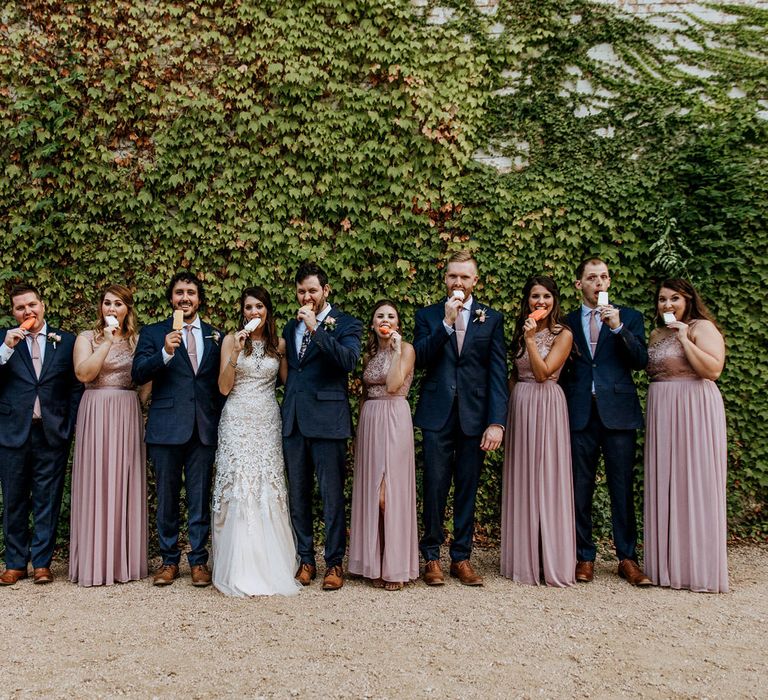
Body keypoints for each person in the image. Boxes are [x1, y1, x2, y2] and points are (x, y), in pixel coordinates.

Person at [413, 250, 508, 586]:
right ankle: (431, 557)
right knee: (434, 486)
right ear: (445, 278)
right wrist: (446, 323)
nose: (458, 282)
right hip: (437, 414)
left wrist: (497, 421)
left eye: (464, 277)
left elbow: (497, 373)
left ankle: (462, 557)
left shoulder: (491, 318)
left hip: (475, 415)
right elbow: (420, 359)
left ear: (475, 281)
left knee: (468, 486)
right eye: (453, 276)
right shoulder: (428, 316)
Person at [559, 257, 651, 586]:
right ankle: (585, 556)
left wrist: (618, 328)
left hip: (618, 414)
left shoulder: (629, 318)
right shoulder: (566, 322)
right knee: (580, 488)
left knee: (621, 488)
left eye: (604, 277)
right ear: (579, 284)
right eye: (592, 277)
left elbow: (641, 361)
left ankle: (627, 557)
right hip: (580, 413)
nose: (599, 282)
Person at [132, 272, 224, 587]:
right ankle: (169, 560)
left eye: (191, 293)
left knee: (199, 497)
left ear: (199, 299)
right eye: (179, 293)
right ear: (171, 298)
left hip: (203, 428)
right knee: (167, 497)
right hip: (166, 427)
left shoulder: (216, 335)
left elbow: (218, 383)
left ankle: (199, 560)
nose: (185, 298)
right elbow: (138, 372)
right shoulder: (155, 332)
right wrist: (166, 353)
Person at [211, 286, 301, 597]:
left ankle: (270, 564)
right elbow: (223, 388)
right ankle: (236, 566)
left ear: (267, 311)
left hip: (266, 420)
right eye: (248, 308)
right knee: (238, 485)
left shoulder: (279, 344)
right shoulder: (229, 341)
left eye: (259, 307)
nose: (253, 313)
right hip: (236, 419)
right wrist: (236, 351)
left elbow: (290, 383)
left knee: (267, 486)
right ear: (242, 312)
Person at [281, 261, 362, 591]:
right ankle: (306, 559)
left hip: (329, 422)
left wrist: (317, 329)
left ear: (325, 290)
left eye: (312, 290)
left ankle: (333, 563)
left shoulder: (345, 324)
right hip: (295, 421)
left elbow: (348, 361)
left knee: (331, 496)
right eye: (301, 291)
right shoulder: (289, 326)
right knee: (298, 495)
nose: (307, 296)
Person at [644, 279, 728, 592]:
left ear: (688, 299)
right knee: (668, 483)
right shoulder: (655, 334)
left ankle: (698, 566)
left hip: (693, 408)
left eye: (674, 299)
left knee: (695, 481)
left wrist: (684, 338)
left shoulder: (700, 327)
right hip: (662, 410)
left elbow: (713, 369)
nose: (667, 305)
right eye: (662, 299)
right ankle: (668, 565)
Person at [0, 284, 82, 585]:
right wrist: (6, 348)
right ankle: (15, 562)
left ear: (43, 305)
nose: (28, 312)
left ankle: (42, 563)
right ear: (13, 312)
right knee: (14, 499)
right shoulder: (4, 340)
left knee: (48, 499)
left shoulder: (66, 341)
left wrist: (68, 425)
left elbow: (75, 387)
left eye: (32, 305)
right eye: (21, 308)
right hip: (12, 433)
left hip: (51, 433)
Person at [70, 284, 150, 586]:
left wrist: (134, 403)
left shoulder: (137, 341)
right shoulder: (86, 338)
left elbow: (146, 380)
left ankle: (121, 561)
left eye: (118, 304)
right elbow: (84, 373)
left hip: (126, 411)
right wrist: (105, 342)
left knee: (123, 482)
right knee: (96, 480)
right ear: (100, 308)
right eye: (107, 303)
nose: (112, 309)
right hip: (96, 409)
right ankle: (94, 560)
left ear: (127, 309)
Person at [501, 276, 576, 587]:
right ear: (527, 300)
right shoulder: (520, 333)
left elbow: (544, 373)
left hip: (547, 404)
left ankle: (551, 558)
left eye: (546, 296)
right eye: (535, 296)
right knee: (524, 477)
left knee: (548, 478)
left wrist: (531, 340)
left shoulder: (563, 334)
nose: (540, 302)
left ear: (555, 300)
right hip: (522, 406)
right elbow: (514, 375)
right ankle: (524, 557)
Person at [349, 300, 418, 591]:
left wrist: (397, 349)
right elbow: (365, 392)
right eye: (380, 316)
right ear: (373, 324)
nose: (385, 319)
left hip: (395, 418)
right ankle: (373, 563)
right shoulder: (368, 354)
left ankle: (395, 565)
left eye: (391, 316)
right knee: (370, 493)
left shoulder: (407, 350)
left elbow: (392, 384)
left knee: (388, 495)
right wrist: (357, 434)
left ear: (397, 324)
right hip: (370, 421)